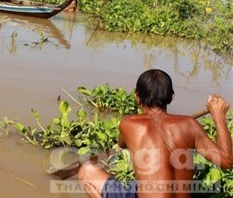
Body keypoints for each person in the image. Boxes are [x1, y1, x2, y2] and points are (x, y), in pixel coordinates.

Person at [78, 69, 232, 198]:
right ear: (171, 96)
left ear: (136, 97)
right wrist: (218, 116)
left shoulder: (129, 124)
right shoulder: (190, 124)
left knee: (86, 171)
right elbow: (226, 160)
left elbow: (121, 144)